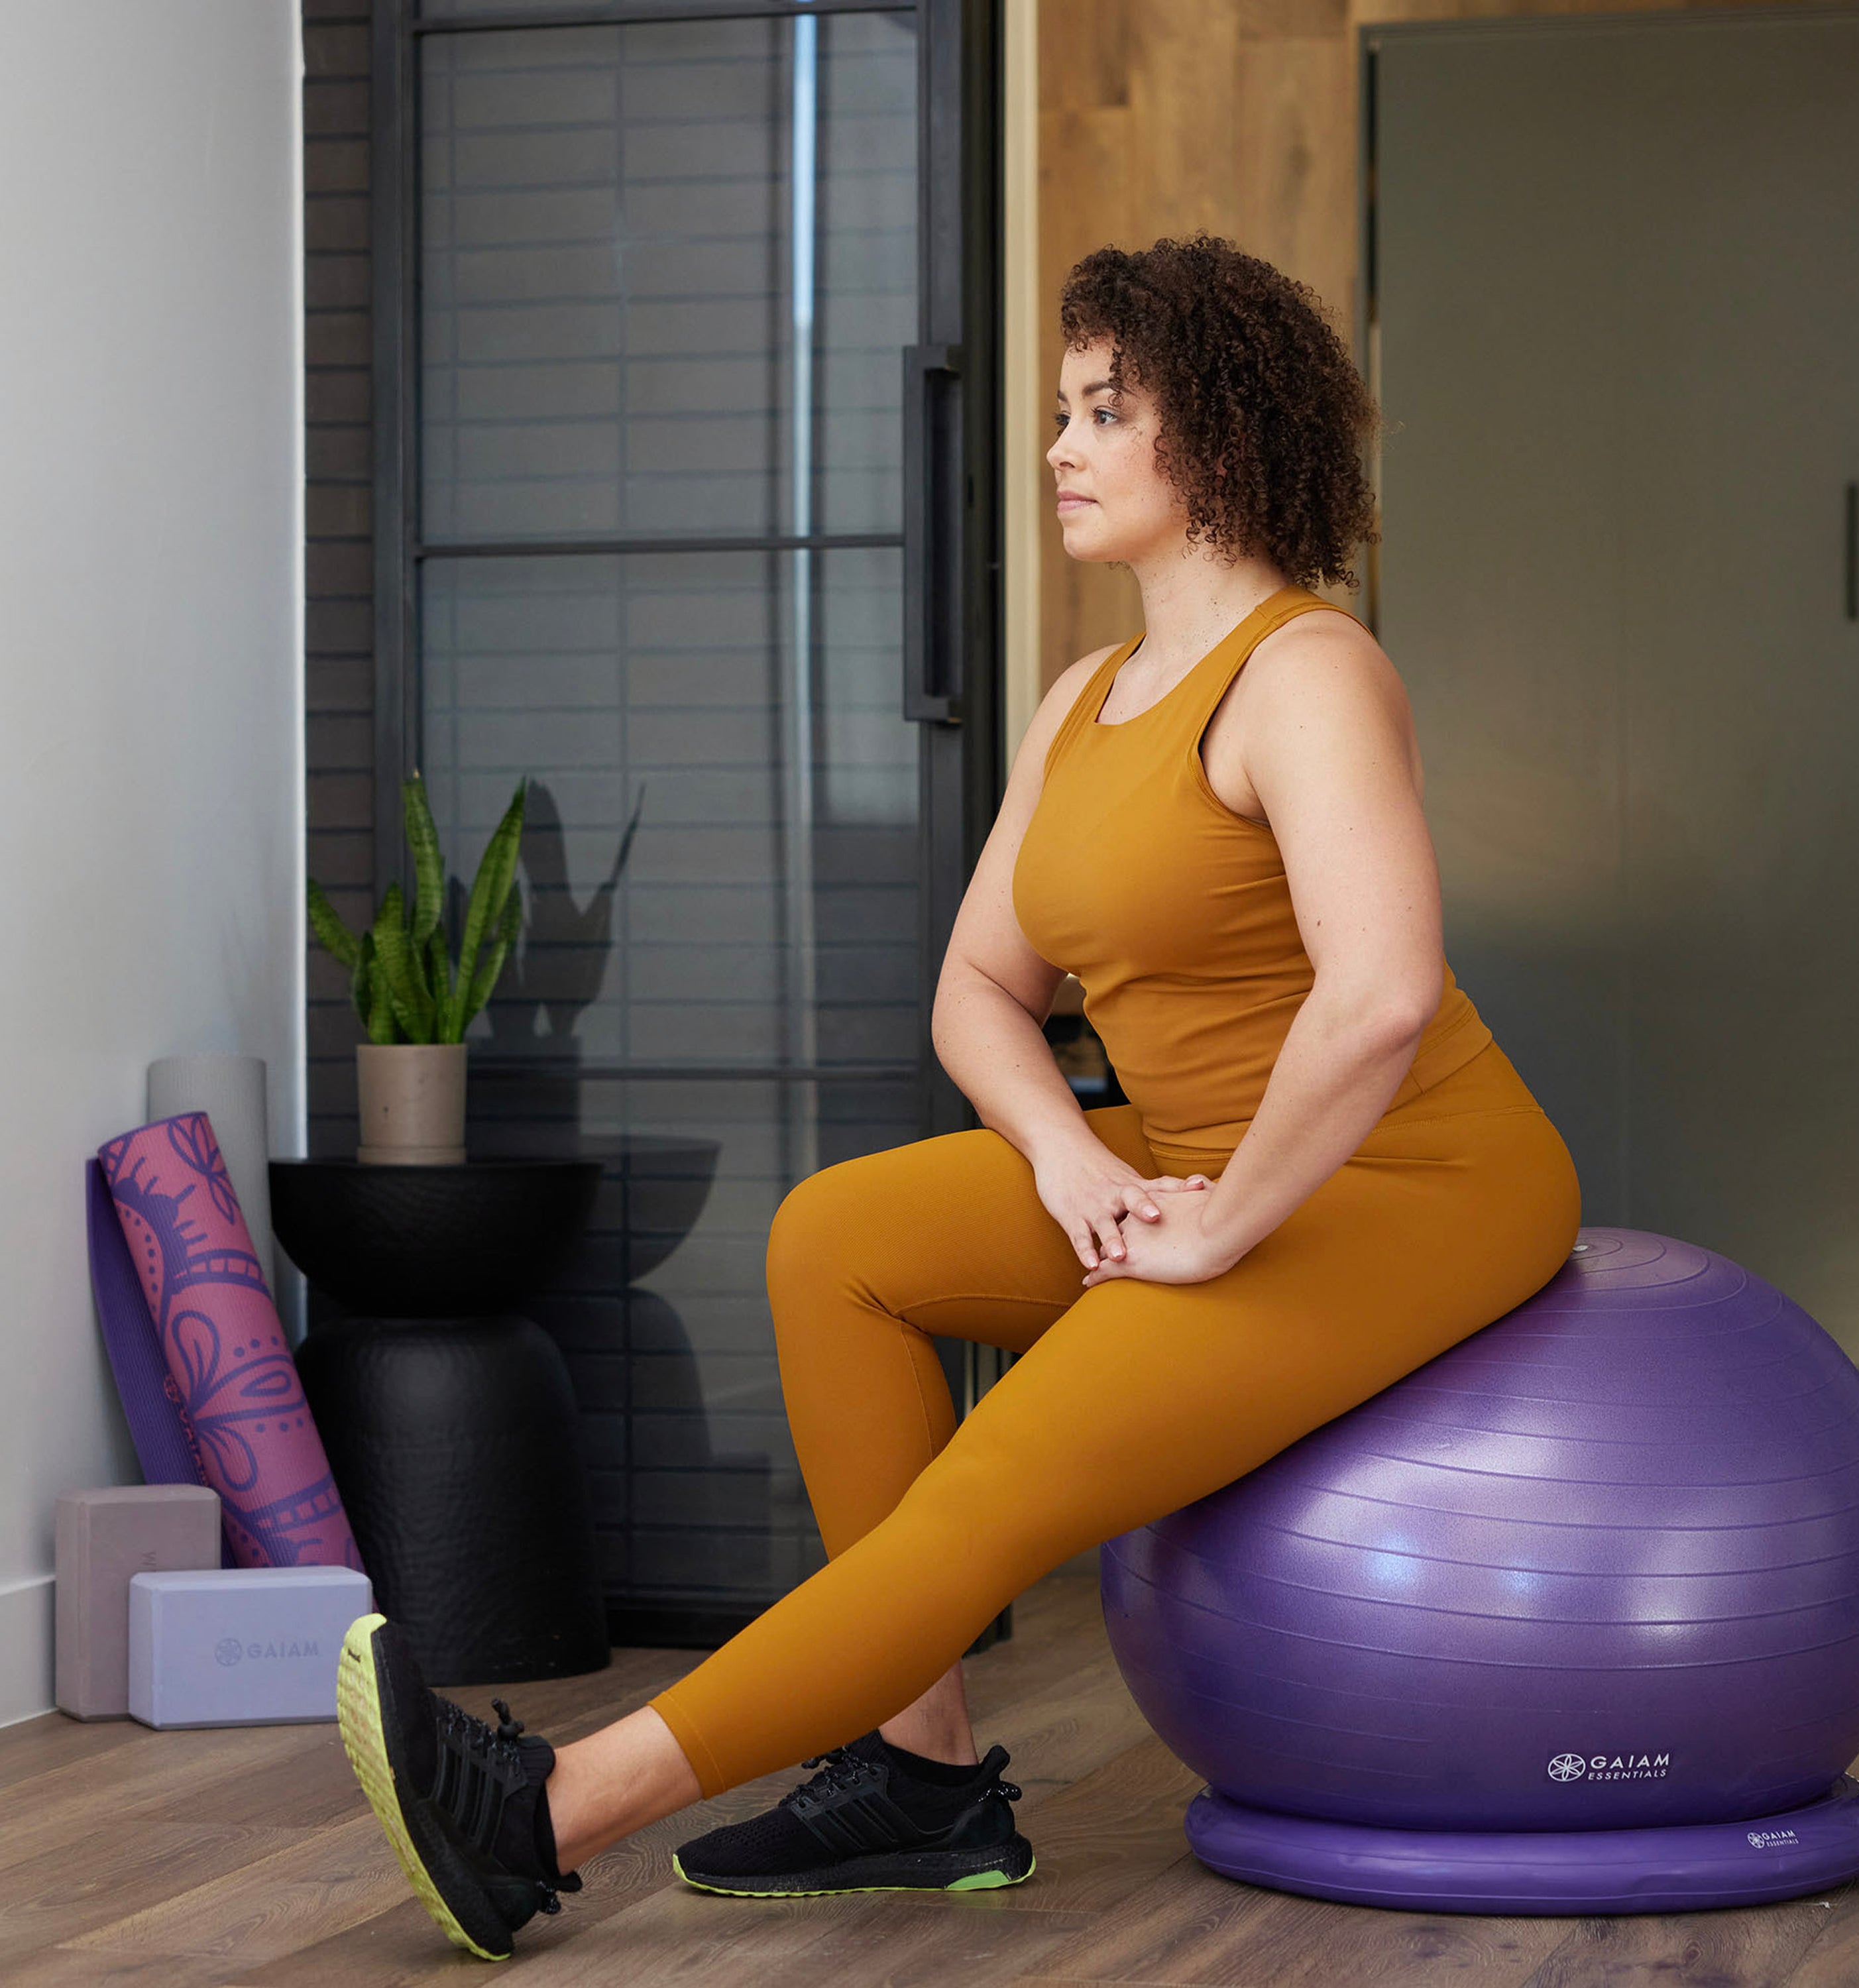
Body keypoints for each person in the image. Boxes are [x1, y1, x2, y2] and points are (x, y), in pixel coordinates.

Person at [333, 233, 1583, 1961]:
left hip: (1412, 1177)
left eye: (1101, 411)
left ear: (1212, 436)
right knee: (836, 1236)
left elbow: (1379, 1000)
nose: (1059, 448)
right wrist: (1071, 1157)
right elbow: (978, 990)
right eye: (1060, 410)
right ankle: (920, 1782)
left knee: (997, 1477)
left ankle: (544, 1818)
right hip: (1189, 1153)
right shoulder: (1083, 703)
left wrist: (1220, 1225)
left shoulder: (1308, 675)